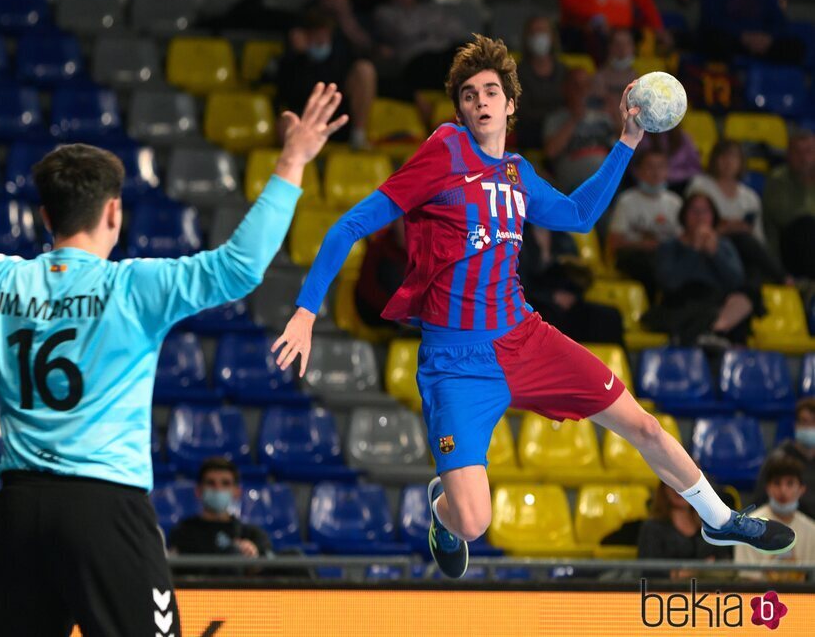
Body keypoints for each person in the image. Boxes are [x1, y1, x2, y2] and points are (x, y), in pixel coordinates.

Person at [269, 35, 795, 579]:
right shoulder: (444, 151)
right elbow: (348, 225)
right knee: (473, 522)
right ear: (460, 109)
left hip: (525, 338)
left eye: (491, 91)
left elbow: (577, 215)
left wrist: (627, 141)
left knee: (643, 426)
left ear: (511, 103)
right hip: (457, 362)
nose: (480, 101)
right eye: (469, 95)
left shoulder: (517, 171)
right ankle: (443, 512)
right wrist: (307, 311)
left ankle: (718, 517)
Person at [0, 68, 345, 635]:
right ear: (113, 213)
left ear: (45, 218)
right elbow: (239, 267)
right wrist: (292, 161)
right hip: (105, 508)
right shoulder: (132, 288)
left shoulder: (1, 282)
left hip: (20, 509)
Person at [646, 193, 755, 348]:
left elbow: (736, 281)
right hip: (681, 304)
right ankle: (706, 334)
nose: (700, 217)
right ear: (684, 215)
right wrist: (694, 250)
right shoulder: (669, 247)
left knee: (747, 297)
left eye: (705, 211)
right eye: (694, 211)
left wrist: (715, 254)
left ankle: (713, 332)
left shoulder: (723, 246)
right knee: (703, 308)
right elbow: (669, 283)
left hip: (717, 305)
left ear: (713, 216)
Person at [276, 7, 376, 150]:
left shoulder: (341, 55)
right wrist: (300, 57)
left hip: (339, 121)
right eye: (316, 35)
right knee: (284, 123)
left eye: (325, 34)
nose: (321, 39)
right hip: (305, 123)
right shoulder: (291, 62)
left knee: (364, 70)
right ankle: (299, 167)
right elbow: (288, 95)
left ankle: (358, 136)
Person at [518, 225, 624, 345]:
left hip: (568, 298)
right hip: (536, 301)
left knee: (610, 317)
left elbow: (579, 276)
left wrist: (572, 296)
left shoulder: (564, 238)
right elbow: (520, 283)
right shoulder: (518, 239)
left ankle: (613, 362)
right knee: (550, 317)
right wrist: (551, 297)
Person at [168, 458, 273, 575]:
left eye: (225, 483)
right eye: (211, 483)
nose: (218, 489)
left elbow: (267, 569)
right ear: (198, 491)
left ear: (237, 492)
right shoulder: (182, 533)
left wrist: (253, 558)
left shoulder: (253, 535)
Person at [607, 149, 682, 297]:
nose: (655, 172)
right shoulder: (626, 201)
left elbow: (682, 240)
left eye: (661, 167)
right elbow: (613, 243)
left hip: (664, 256)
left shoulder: (676, 203)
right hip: (634, 257)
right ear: (638, 171)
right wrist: (642, 245)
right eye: (650, 166)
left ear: (667, 171)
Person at [736, 454, 815, 582]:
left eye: (790, 483)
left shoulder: (812, 531)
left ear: (801, 489)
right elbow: (748, 580)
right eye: (777, 483)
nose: (783, 490)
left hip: (803, 600)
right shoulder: (747, 528)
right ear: (768, 488)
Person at [543, 68, 618, 192]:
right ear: (565, 88)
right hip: (572, 184)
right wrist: (575, 119)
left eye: (585, 85)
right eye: (576, 86)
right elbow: (550, 152)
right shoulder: (556, 118)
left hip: (606, 183)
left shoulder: (604, 117)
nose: (581, 91)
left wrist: (616, 113)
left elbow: (626, 146)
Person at [638, 481, 732, 580]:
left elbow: (723, 563)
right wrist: (697, 571)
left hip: (708, 591)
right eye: (673, 484)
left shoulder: (711, 525)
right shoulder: (652, 527)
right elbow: (650, 573)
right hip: (666, 593)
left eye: (686, 485)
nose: (679, 490)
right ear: (664, 487)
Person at [699, 0, 805, 65]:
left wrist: (769, 38)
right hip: (732, 40)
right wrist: (743, 36)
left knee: (795, 47)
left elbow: (778, 20)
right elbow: (711, 18)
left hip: (763, 41)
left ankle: (777, 88)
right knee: (715, 41)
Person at [558, 0, 669, 61]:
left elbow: (646, 5)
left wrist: (658, 28)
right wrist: (592, 19)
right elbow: (569, 5)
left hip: (623, 32)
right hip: (584, 31)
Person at [686, 140, 765, 243]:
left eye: (734, 157)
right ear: (714, 159)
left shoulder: (750, 197)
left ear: (741, 162)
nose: (728, 162)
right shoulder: (700, 186)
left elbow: (758, 236)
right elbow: (689, 225)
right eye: (723, 156)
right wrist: (725, 228)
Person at [763, 130, 815, 277]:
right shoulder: (778, 179)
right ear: (788, 155)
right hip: (788, 248)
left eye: (809, 151)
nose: (804, 158)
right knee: (806, 225)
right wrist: (804, 183)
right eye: (798, 152)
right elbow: (785, 217)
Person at [752, 398, 815, 518]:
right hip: (780, 523)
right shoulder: (778, 459)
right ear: (796, 425)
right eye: (805, 421)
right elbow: (760, 500)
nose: (810, 427)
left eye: (814, 422)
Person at [515, 15, 567, 150]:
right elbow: (522, 112)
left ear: (552, 36)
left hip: (562, 129)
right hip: (532, 133)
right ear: (527, 38)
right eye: (534, 32)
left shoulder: (563, 71)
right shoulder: (517, 73)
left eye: (543, 31)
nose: (538, 36)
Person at [354, 217, 407, 328]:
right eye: (404, 222)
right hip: (379, 312)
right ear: (394, 223)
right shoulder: (379, 248)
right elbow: (367, 289)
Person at [634, 125, 702, 193]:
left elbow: (696, 167)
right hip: (642, 184)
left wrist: (670, 174)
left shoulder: (683, 137)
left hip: (680, 185)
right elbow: (632, 166)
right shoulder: (641, 135)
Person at [592, 28, 638, 104]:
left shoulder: (639, 79)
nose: (622, 49)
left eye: (626, 44)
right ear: (610, 47)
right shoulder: (599, 77)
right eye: (618, 44)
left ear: (632, 48)